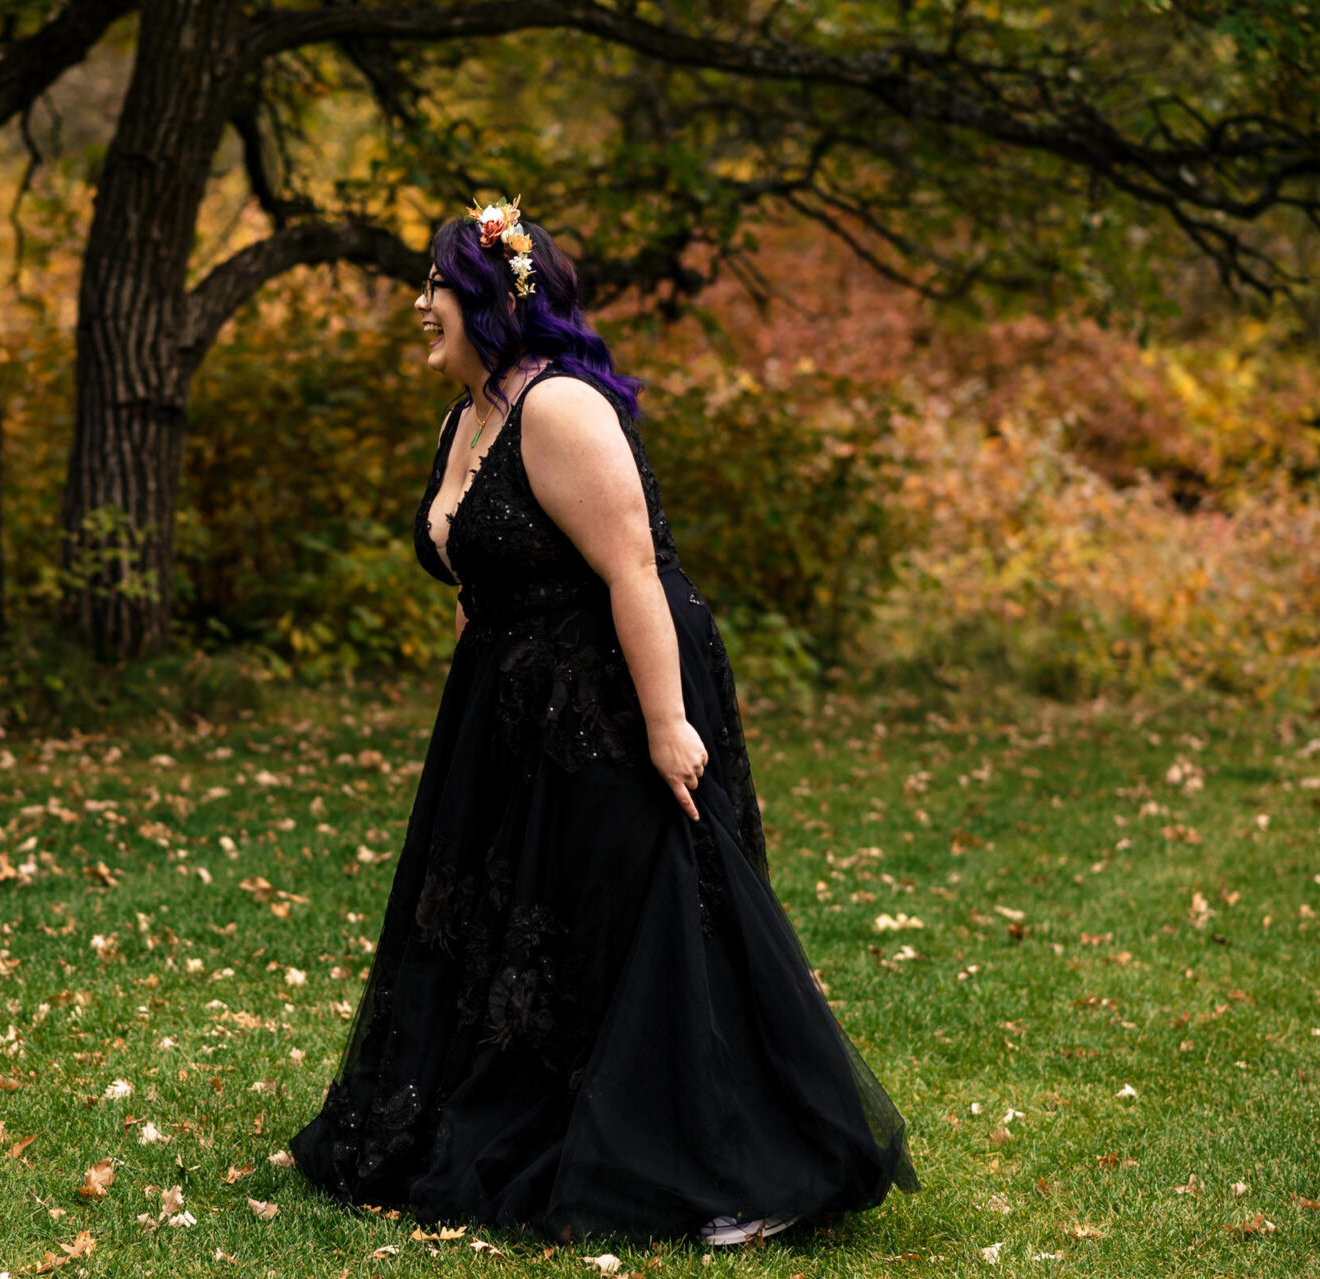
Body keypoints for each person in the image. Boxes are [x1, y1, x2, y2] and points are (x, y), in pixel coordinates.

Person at [289, 198, 917, 1244]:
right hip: (508, 701)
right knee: (507, 915)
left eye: (435, 285)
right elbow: (484, 566)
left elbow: (633, 571)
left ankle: (729, 1170)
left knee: (644, 909)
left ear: (487, 297)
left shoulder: (560, 408)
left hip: (611, 692)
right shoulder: (472, 412)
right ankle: (515, 1109)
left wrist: (668, 725)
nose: (419, 305)